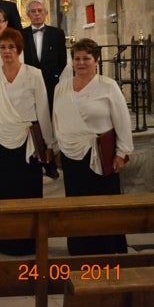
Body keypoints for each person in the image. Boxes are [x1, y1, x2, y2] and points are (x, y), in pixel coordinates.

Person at [52, 38, 132, 256]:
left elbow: (122, 121)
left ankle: (108, 249)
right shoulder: (61, 87)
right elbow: (56, 119)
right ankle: (80, 250)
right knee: (76, 204)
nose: (81, 63)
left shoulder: (108, 86)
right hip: (72, 155)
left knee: (104, 205)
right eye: (77, 59)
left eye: (86, 58)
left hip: (101, 154)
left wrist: (121, 153)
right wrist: (58, 147)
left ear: (96, 61)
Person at [0, 28, 55, 256]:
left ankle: (28, 240)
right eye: (3, 47)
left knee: (27, 190)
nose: (7, 51)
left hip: (27, 141)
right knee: (2, 191)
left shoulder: (33, 73)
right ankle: (3, 239)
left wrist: (49, 144)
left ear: (19, 49)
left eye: (11, 47)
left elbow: (43, 110)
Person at [21, 0, 67, 179]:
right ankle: (34, 160)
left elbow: (62, 60)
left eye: (40, 10)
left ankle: (50, 163)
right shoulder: (21, 34)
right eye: (33, 11)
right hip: (28, 86)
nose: (37, 14)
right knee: (33, 122)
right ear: (28, 15)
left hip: (49, 84)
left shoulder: (57, 34)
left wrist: (54, 78)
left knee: (48, 121)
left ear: (46, 13)